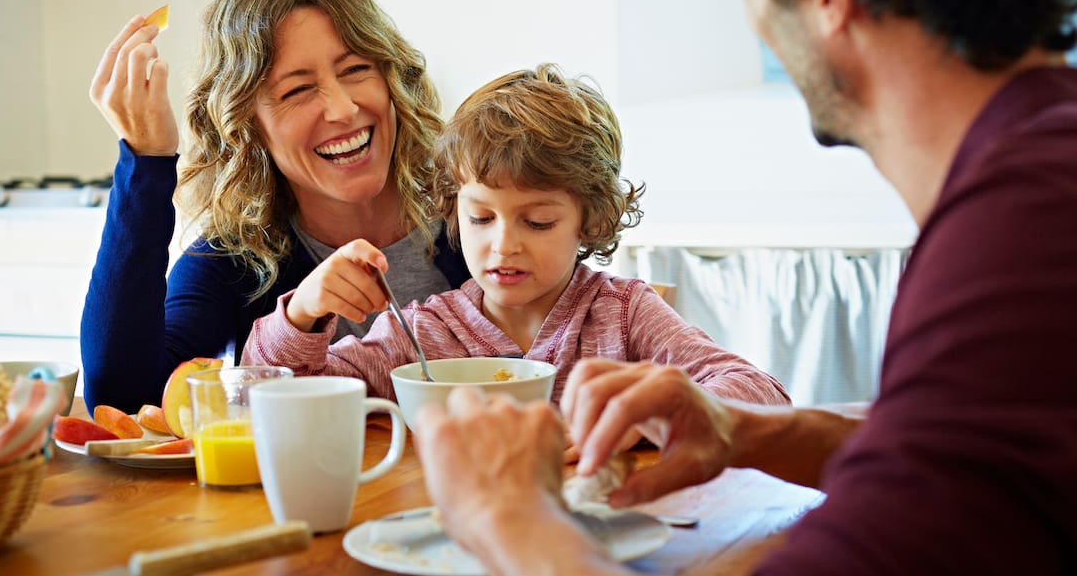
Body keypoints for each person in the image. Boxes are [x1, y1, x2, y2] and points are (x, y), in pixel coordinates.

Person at [412, 0, 1077, 576]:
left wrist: (502, 513)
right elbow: (971, 456)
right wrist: (753, 430)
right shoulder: (1041, 175)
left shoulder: (1022, 235)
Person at [242, 64, 789, 414]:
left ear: (590, 220)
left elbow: (760, 394)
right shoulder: (427, 332)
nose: (503, 246)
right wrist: (304, 315)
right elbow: (271, 396)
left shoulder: (623, 315)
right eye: (481, 219)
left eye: (538, 222)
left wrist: (656, 411)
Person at [80, 0, 469, 411]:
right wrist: (146, 162)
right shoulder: (237, 260)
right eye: (298, 90)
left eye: (356, 70)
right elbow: (124, 399)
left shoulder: (481, 219)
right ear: (248, 126)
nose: (342, 109)